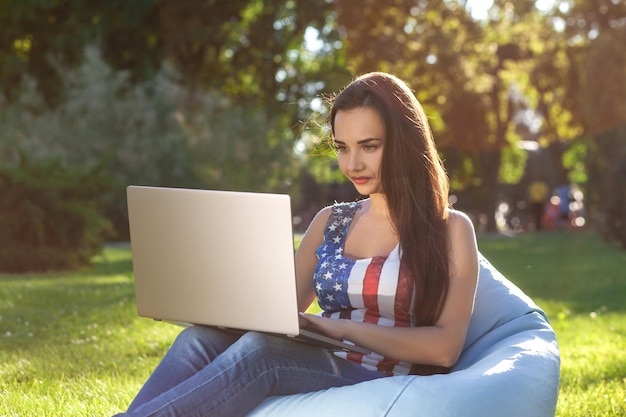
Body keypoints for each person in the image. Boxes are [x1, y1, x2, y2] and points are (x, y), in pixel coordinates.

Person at [114, 72, 479, 417]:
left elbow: (445, 348)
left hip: (383, 376)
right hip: (317, 359)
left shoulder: (449, 229)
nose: (353, 163)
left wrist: (342, 329)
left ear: (404, 143)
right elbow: (277, 312)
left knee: (264, 353)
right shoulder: (330, 222)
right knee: (197, 339)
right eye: (342, 147)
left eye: (369, 146)